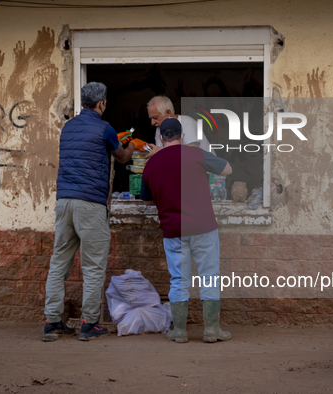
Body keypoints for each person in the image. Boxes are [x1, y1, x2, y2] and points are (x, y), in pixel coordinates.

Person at [43, 82, 147, 342]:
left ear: (82, 104)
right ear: (101, 104)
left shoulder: (67, 127)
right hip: (90, 204)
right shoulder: (105, 129)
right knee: (92, 267)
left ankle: (52, 320)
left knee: (59, 264)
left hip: (64, 201)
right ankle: (89, 324)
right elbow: (122, 157)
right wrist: (131, 143)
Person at [140, 118, 232, 343]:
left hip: (174, 230)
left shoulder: (151, 163)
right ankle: (211, 330)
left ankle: (179, 331)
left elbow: (148, 201)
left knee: (179, 279)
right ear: (182, 136)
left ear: (161, 138)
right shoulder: (195, 154)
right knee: (209, 277)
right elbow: (227, 169)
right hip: (203, 227)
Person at [146, 96, 212, 156]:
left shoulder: (187, 122)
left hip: (207, 168)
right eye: (151, 119)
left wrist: (159, 151)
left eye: (155, 118)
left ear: (168, 113)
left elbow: (193, 150)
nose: (152, 123)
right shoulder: (159, 128)